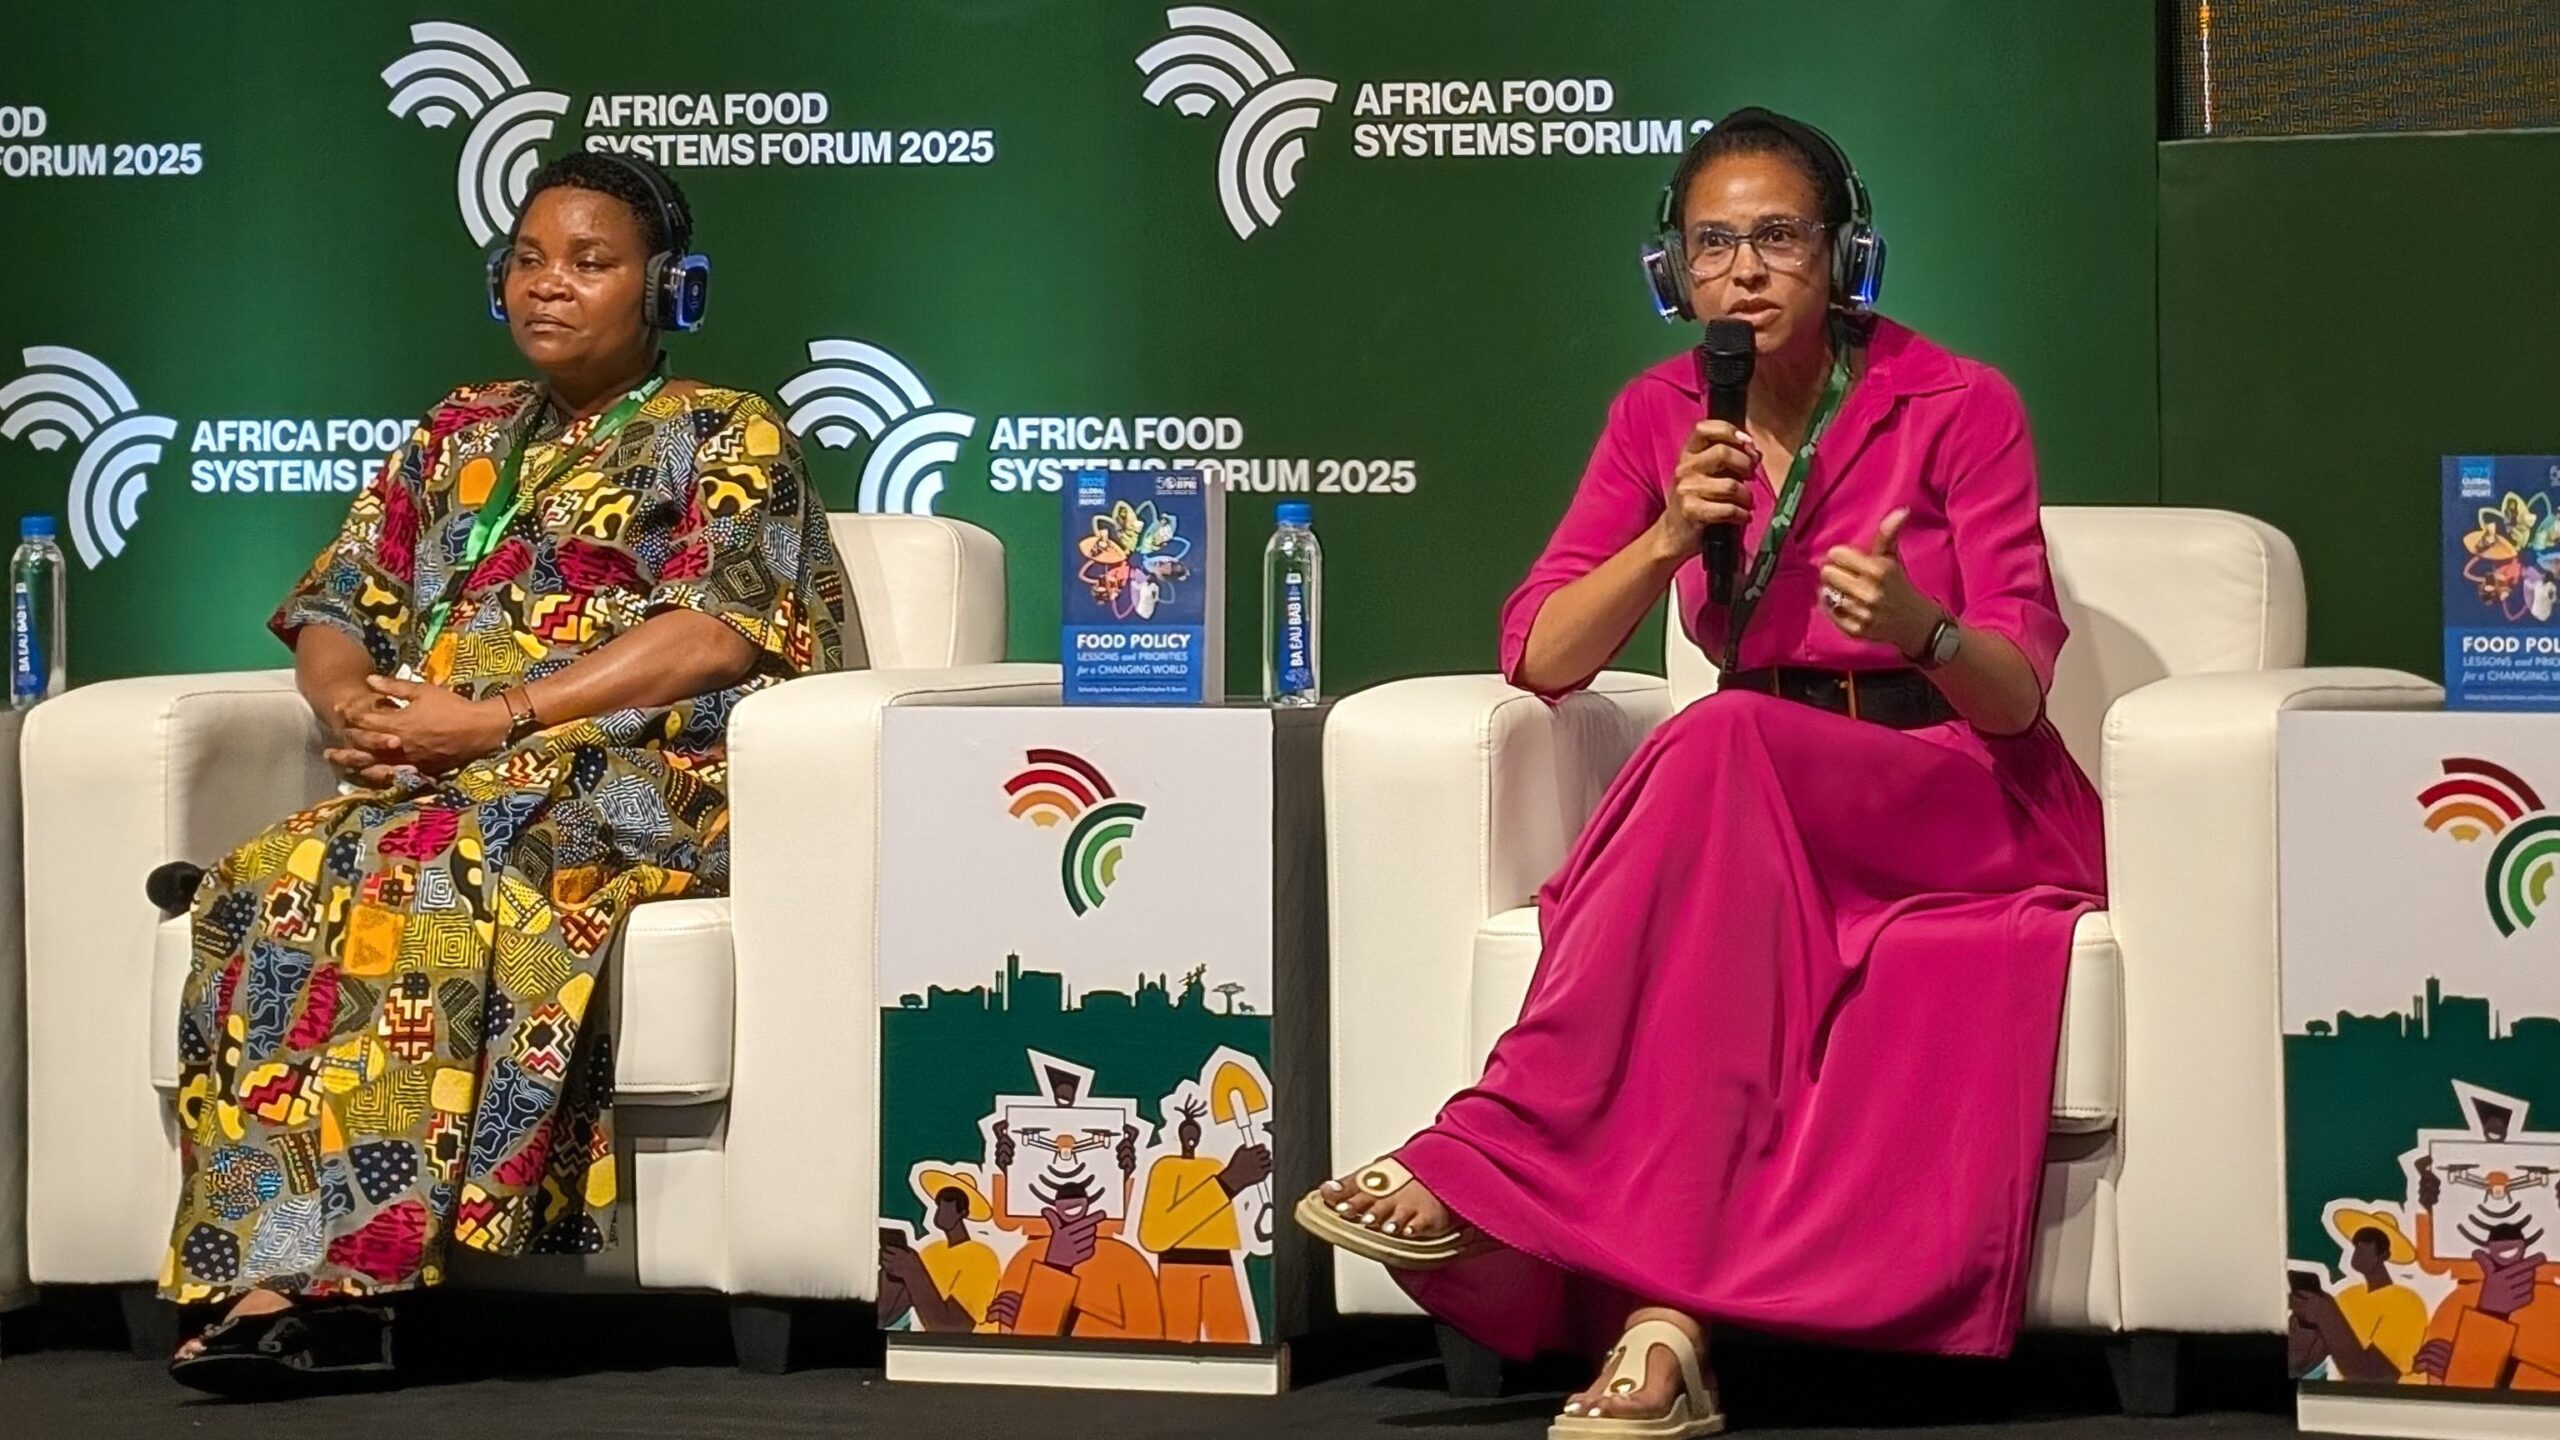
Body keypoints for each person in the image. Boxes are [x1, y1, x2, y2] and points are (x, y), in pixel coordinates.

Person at [1295, 108, 2105, 1436]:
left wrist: (1925, 629)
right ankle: (1663, 1341)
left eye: (1779, 237)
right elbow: (1541, 655)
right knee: (1714, 847)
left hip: (1956, 792)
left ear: (1847, 257)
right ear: (1673, 273)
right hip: (1761, 806)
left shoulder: (1960, 402)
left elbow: (2018, 701)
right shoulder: (1660, 414)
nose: (1744, 271)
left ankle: (1487, 1152)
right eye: (1712, 243)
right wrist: (1667, 529)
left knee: (1712, 743)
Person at [161, 151, 847, 1395]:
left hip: (648, 775)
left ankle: (341, 1290)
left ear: (667, 291)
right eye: (528, 261)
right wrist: (350, 703)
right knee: (270, 874)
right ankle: (267, 1264)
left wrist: (496, 717)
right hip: (446, 775)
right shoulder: (458, 433)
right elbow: (337, 599)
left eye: (590, 263)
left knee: (427, 863)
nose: (549, 286)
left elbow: (724, 628)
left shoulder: (723, 429)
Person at [2288, 1211, 2426, 1382]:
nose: (2356, 1254)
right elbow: (2300, 1364)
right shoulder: (2347, 1296)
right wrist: (2304, 1323)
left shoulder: (2406, 1303)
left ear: (2383, 1255)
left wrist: (2325, 1314)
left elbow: (2375, 1379)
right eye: (2356, 1247)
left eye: (2364, 1248)